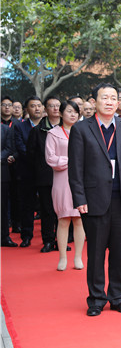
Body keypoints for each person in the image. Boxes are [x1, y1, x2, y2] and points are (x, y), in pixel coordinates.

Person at [68, 83, 121, 316]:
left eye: (113, 98)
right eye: (105, 98)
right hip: (94, 199)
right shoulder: (81, 129)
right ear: (94, 102)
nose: (110, 102)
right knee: (96, 252)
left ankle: (118, 297)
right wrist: (79, 198)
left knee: (120, 252)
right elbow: (75, 168)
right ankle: (96, 299)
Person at [45, 100, 86, 271]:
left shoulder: (84, 131)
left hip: (81, 180)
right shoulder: (53, 133)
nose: (73, 114)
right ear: (61, 113)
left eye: (75, 111)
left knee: (79, 219)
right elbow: (50, 158)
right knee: (63, 219)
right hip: (62, 179)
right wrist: (72, 160)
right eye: (69, 111)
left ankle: (78, 257)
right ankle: (62, 257)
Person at [27, 95, 62, 253]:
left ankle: (62, 240)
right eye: (51, 106)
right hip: (45, 176)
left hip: (64, 176)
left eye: (58, 106)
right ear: (45, 110)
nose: (55, 109)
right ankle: (48, 240)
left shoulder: (68, 128)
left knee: (62, 210)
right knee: (47, 210)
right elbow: (31, 154)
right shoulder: (37, 130)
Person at [12, 96, 44, 247]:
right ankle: (26, 236)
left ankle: (49, 237)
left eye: (39, 105)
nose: (37, 108)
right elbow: (20, 147)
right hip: (27, 170)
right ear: (26, 109)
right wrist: (37, 161)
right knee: (27, 205)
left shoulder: (48, 126)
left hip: (46, 172)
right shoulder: (20, 127)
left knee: (47, 206)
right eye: (33, 106)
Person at [2, 123, 17, 247]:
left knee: (2, 207)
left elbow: (9, 148)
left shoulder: (5, 129)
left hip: (2, 172)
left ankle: (4, 236)